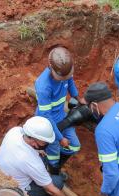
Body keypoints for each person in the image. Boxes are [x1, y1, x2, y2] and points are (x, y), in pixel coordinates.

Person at [0, 116, 80, 196]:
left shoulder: (15, 131)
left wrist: (38, 150)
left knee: (43, 157)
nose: (46, 144)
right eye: (44, 142)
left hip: (1, 174)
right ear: (34, 142)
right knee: (57, 182)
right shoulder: (31, 161)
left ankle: (42, 178)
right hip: (16, 191)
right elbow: (51, 190)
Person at [34, 46, 86, 176]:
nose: (64, 79)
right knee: (54, 154)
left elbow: (71, 82)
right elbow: (46, 116)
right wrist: (60, 138)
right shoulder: (43, 86)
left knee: (75, 146)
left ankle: (53, 160)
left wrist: (78, 98)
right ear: (50, 66)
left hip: (61, 117)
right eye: (61, 77)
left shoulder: (65, 71)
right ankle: (52, 172)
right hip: (48, 124)